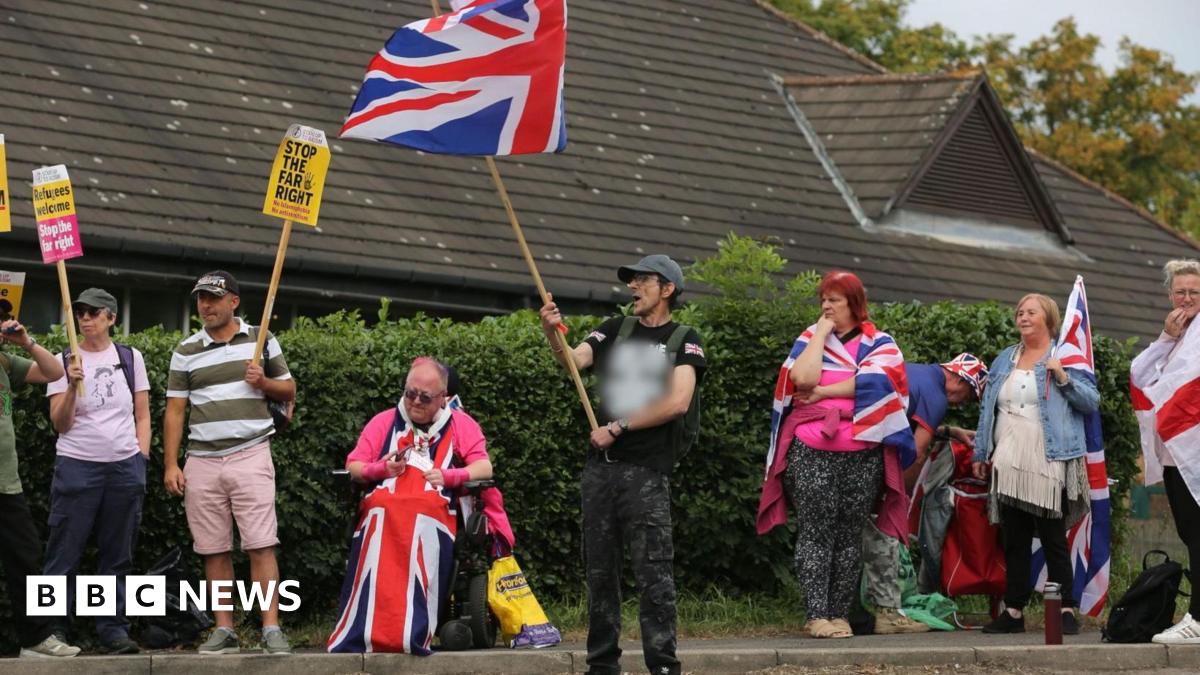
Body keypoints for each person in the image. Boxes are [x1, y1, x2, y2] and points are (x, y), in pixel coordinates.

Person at [539, 254, 704, 675]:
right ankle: (601, 665)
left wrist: (619, 427)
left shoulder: (685, 338)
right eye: (631, 281)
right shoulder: (614, 329)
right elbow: (573, 361)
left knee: (653, 572)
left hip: (646, 472)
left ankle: (663, 665)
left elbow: (678, 402)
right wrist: (550, 330)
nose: (633, 286)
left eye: (643, 280)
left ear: (667, 289)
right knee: (599, 569)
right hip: (601, 472)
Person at [757, 270, 914, 640]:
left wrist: (827, 394)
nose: (826, 305)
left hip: (863, 452)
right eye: (823, 299)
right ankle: (816, 615)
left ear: (854, 304)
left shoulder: (881, 342)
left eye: (835, 300)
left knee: (848, 535)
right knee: (816, 531)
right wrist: (822, 334)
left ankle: (840, 615)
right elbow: (802, 379)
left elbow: (877, 383)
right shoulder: (811, 338)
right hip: (811, 449)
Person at [327, 357, 507, 654]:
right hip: (384, 502)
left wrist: (451, 476)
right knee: (380, 514)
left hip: (434, 507)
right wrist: (379, 470)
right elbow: (354, 464)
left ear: (443, 398)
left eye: (425, 397)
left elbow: (484, 468)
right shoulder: (384, 421)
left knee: (418, 517)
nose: (415, 402)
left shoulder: (461, 424)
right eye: (410, 393)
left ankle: (411, 627)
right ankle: (367, 628)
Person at [162, 271, 296, 655]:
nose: (205, 305)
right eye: (201, 299)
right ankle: (225, 630)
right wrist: (171, 464)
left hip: (251, 451)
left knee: (261, 544)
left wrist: (264, 383)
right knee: (213, 549)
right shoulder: (186, 350)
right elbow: (174, 411)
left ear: (233, 301)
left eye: (213, 299)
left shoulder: (262, 339)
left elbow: (289, 389)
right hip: (202, 460)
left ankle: (271, 627)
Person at [971, 293, 1098, 635]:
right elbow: (988, 409)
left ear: (1049, 319)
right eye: (1019, 312)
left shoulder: (1063, 356)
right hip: (1008, 455)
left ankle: (1066, 607)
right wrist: (981, 453)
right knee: (1014, 537)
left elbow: (1091, 401)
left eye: (1031, 312)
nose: (1023, 317)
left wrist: (1063, 378)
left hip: (1048, 455)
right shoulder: (1004, 359)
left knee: (1053, 536)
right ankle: (1013, 611)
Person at [43, 289, 150, 654]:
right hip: (77, 465)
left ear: (111, 318)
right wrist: (71, 385)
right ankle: (52, 630)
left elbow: (143, 413)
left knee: (117, 553)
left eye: (93, 312)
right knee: (64, 550)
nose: (85, 318)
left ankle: (112, 629)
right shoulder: (61, 362)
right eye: (80, 312)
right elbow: (60, 423)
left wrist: (141, 458)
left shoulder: (130, 357)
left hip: (124, 467)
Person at [861, 353, 988, 634]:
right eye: (966, 394)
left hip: (848, 447)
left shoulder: (917, 373)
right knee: (884, 534)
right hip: (867, 460)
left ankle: (849, 612)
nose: (961, 402)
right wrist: (898, 495)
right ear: (957, 378)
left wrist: (950, 431)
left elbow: (905, 422)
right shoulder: (937, 395)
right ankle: (888, 615)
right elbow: (915, 451)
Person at [0, 312, 80, 657]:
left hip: (7, 482)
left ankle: (36, 639)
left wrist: (27, 342)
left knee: (27, 559)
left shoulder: (4, 361)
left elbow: (54, 372)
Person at [1130, 259, 1200, 644]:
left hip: (1196, 455)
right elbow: (1140, 374)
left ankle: (1199, 619)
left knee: (1199, 535)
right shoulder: (1176, 339)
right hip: (1175, 456)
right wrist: (1165, 338)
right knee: (1191, 535)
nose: (1186, 298)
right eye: (1180, 292)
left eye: (1194, 292)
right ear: (1169, 295)